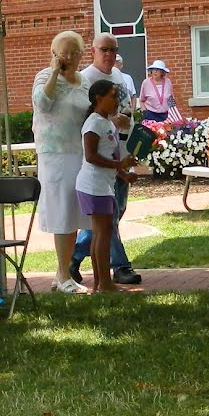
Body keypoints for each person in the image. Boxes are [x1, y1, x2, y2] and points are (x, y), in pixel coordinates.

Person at [70, 33, 143, 286]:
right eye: (105, 50)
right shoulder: (86, 78)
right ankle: (118, 267)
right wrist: (111, 122)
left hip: (119, 152)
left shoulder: (120, 77)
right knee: (107, 219)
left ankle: (75, 257)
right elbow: (84, 121)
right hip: (101, 167)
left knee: (112, 215)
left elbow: (126, 110)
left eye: (114, 50)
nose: (110, 54)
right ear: (93, 51)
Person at [32, 31, 92, 294]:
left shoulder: (84, 81)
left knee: (75, 212)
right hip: (54, 153)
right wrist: (56, 73)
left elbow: (90, 112)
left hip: (78, 152)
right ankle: (62, 272)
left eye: (72, 52)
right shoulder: (45, 76)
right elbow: (42, 104)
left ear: (81, 54)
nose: (67, 57)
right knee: (62, 211)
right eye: (61, 53)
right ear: (53, 54)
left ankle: (63, 272)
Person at [78, 79, 140, 293]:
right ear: (98, 98)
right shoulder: (94, 123)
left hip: (103, 184)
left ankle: (100, 283)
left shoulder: (105, 122)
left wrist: (123, 174)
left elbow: (108, 154)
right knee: (103, 233)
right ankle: (104, 283)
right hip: (94, 185)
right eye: (112, 96)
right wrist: (119, 165)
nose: (117, 101)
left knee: (100, 234)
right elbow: (91, 156)